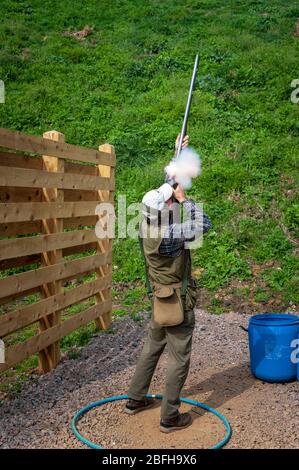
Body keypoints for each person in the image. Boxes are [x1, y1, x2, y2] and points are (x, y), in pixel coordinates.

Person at [124, 135, 212, 433]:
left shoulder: (148, 221)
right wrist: (188, 201)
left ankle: (135, 399)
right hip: (177, 299)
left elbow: (163, 192)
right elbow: (205, 224)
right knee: (179, 357)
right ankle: (170, 417)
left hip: (159, 298)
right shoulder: (171, 232)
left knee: (152, 347)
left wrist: (180, 151)